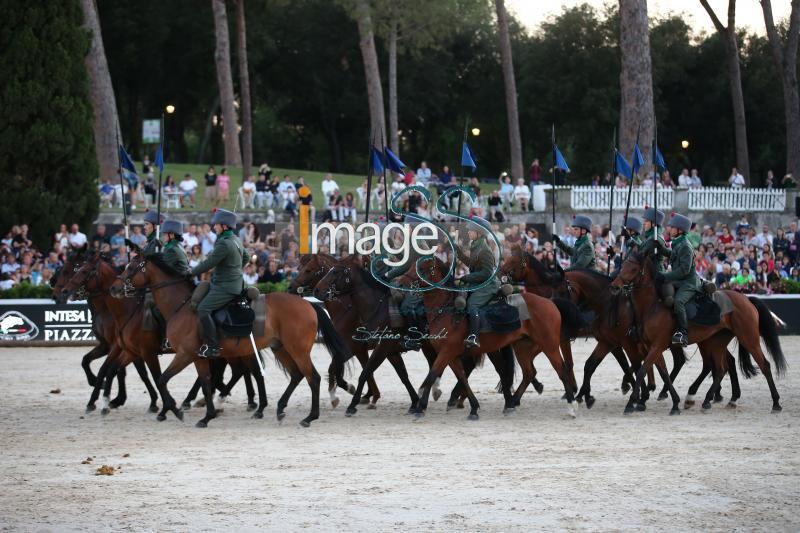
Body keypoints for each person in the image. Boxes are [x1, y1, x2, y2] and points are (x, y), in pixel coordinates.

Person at [190, 208, 248, 358]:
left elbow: (209, 263)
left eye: (216, 224)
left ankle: (213, 346)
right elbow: (246, 257)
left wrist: (190, 272)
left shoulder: (223, 244)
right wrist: (235, 270)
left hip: (225, 286)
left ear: (225, 226)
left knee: (203, 309)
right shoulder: (235, 239)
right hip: (234, 283)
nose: (214, 227)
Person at [654, 213, 701, 347]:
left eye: (673, 228)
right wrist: (661, 247)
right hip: (679, 280)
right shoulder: (678, 242)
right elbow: (672, 254)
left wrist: (665, 276)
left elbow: (684, 270)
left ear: (680, 230)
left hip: (688, 282)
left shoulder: (685, 245)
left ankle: (683, 333)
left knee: (678, 302)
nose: (670, 229)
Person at [455, 217, 500, 349]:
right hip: (479, 282)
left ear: (479, 233)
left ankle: (474, 336)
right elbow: (472, 264)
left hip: (488, 284)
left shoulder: (485, 250)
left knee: (472, 304)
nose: (468, 232)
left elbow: (486, 273)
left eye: (471, 230)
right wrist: (459, 253)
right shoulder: (476, 246)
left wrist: (467, 277)